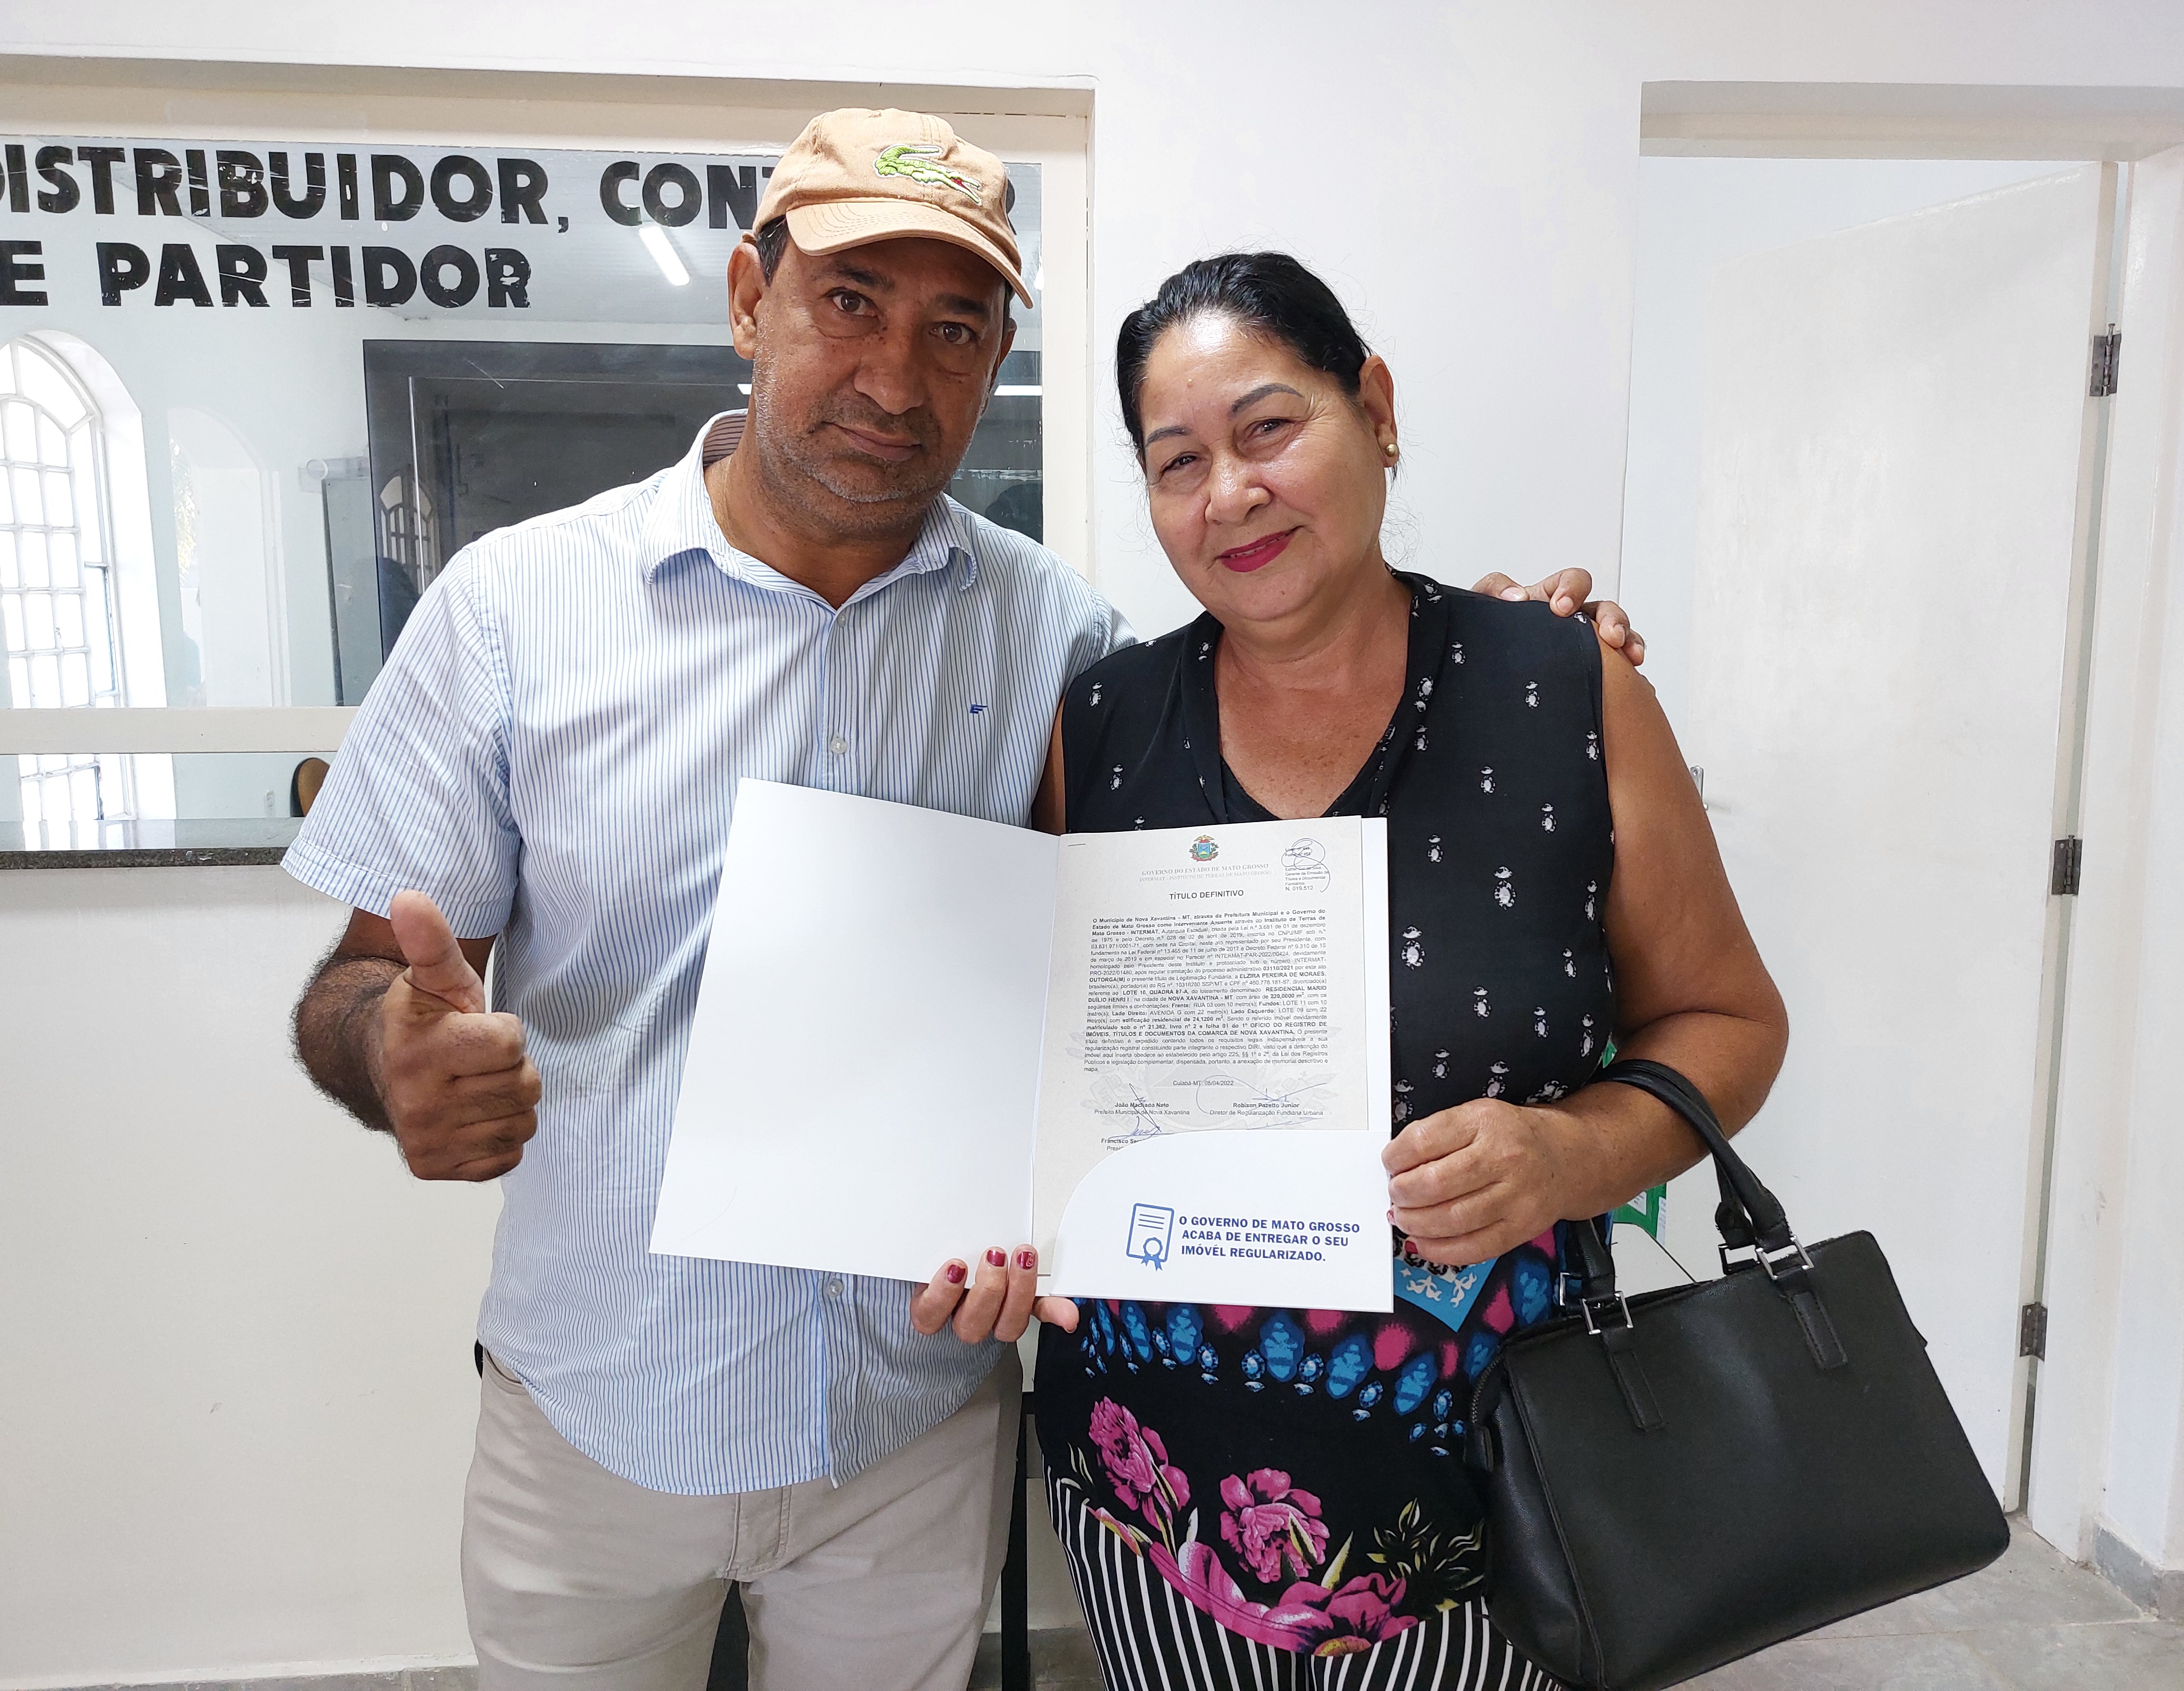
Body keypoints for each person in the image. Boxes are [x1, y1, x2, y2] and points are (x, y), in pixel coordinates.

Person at [286, 106, 1642, 1690]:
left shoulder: (1062, 644)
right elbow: (358, 983)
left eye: (955, 328)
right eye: (848, 303)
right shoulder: (515, 609)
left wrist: (1496, 646)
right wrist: (390, 1052)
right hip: (596, 1415)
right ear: (750, 300)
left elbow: (1131, 973)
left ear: (999, 354)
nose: (894, 377)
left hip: (909, 1426)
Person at [1022, 254, 1787, 1691]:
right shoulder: (1102, 727)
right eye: (1177, 462)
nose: (1229, 494)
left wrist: (1571, 1154)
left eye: (1268, 428)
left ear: (1374, 408)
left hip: (1500, 1503)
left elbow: (1730, 1019)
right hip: (1149, 1501)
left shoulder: (1565, 691)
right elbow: (1034, 1066)